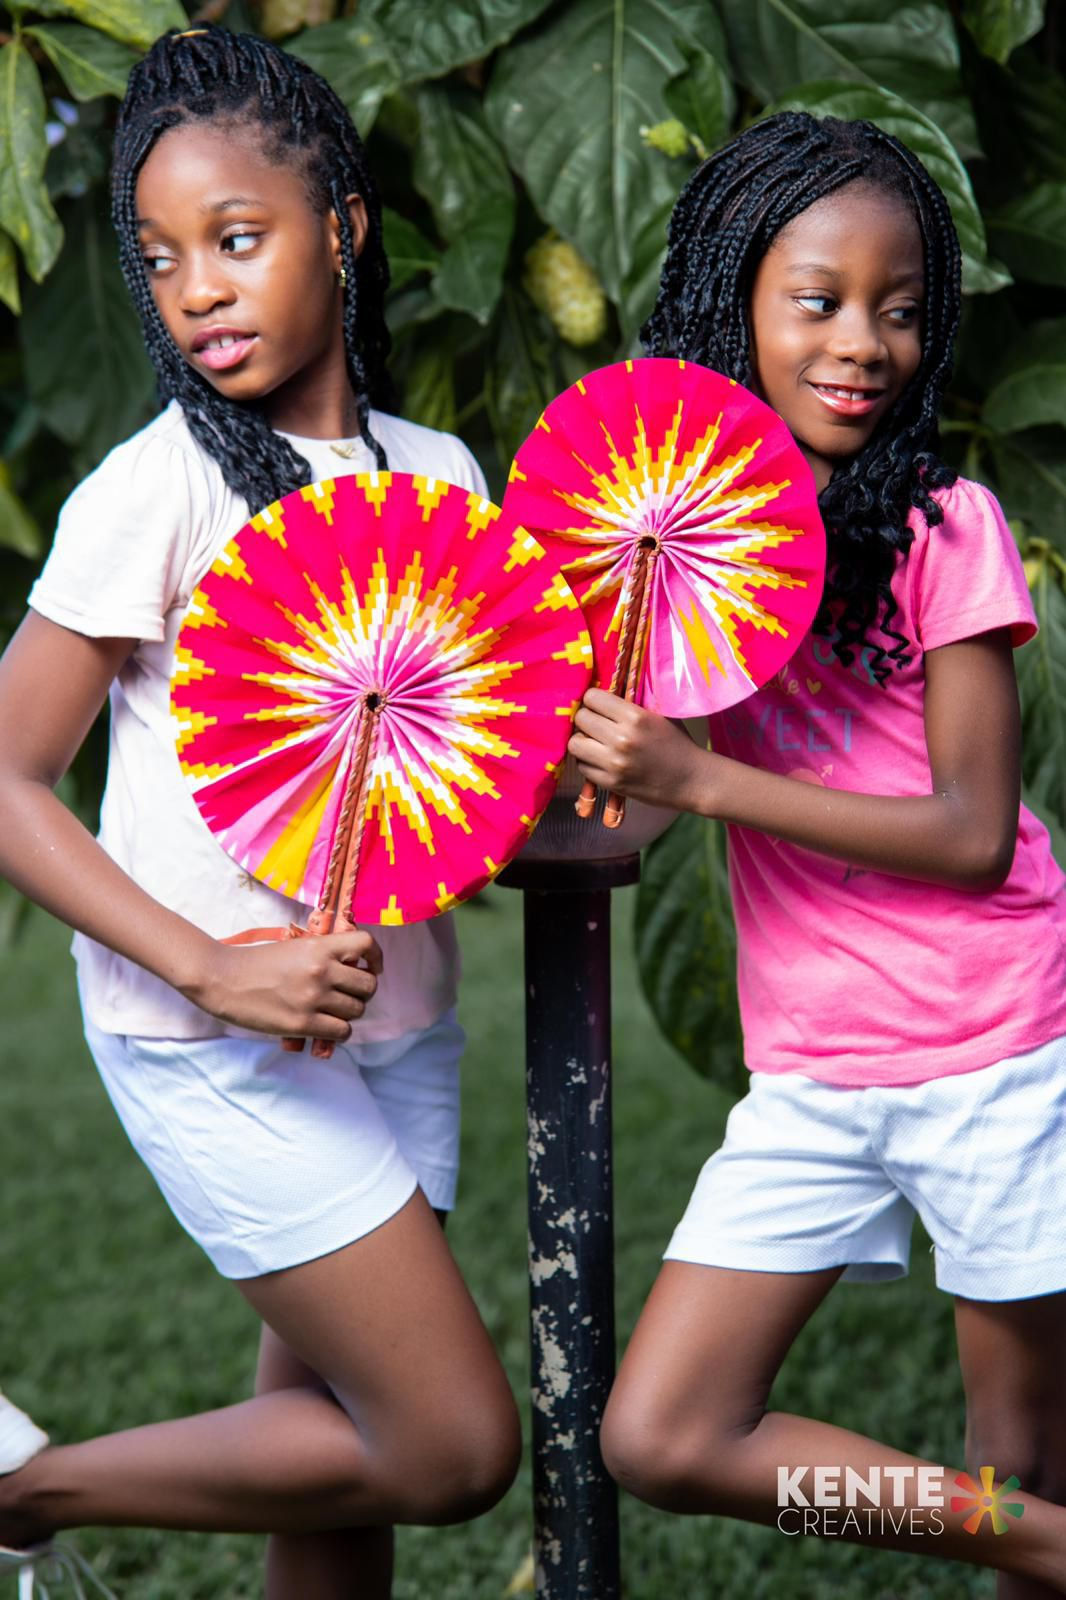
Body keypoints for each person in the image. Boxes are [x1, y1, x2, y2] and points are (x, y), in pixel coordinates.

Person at [0, 26, 520, 1599]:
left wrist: (610, 787)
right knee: (446, 1445)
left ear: (343, 228)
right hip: (207, 1040)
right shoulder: (150, 491)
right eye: (161, 261)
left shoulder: (440, 477)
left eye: (238, 240)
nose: (199, 289)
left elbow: (477, 783)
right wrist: (214, 969)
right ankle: (23, 1497)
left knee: (338, 1481)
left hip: (393, 1026)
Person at [569, 112, 1066, 1596]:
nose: (864, 341)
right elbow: (632, 814)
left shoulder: (941, 524)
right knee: (660, 1433)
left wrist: (703, 779)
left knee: (1014, 1462)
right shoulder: (676, 548)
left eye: (900, 309)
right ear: (736, 307)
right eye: (818, 300)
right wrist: (475, 798)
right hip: (812, 1076)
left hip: (995, 1045)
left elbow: (972, 836)